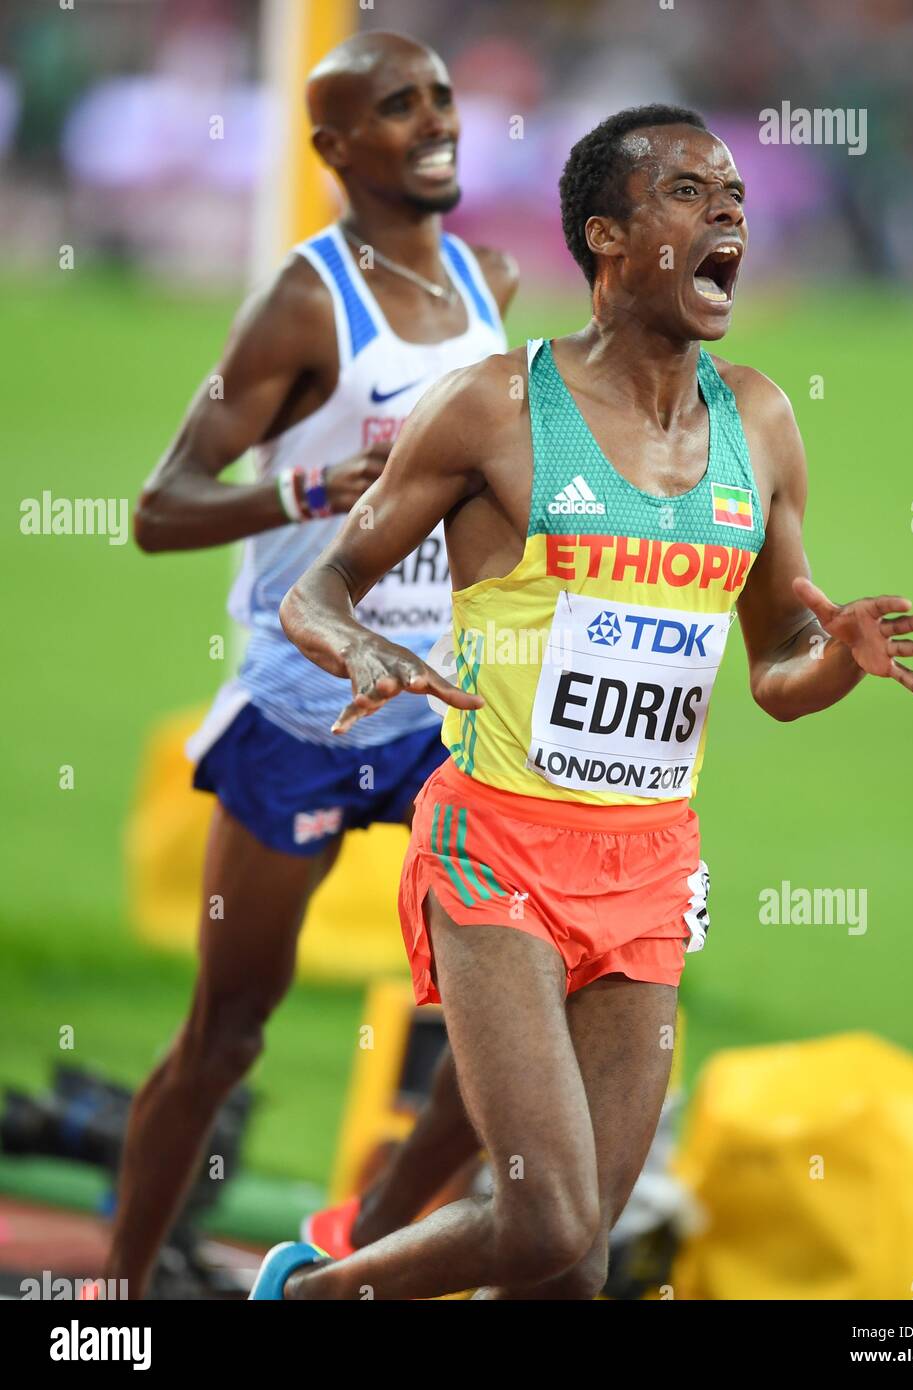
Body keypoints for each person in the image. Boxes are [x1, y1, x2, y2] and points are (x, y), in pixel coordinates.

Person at [253, 102, 913, 1301]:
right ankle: (303, 1295)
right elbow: (319, 589)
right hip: (498, 848)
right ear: (608, 238)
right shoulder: (492, 410)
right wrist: (353, 645)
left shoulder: (761, 422)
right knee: (544, 1215)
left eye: (732, 193)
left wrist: (837, 658)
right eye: (689, 191)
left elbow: (777, 659)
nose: (728, 209)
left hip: (653, 866)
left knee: (573, 1264)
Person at [103, 30, 517, 1299]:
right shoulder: (305, 301)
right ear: (334, 148)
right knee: (227, 1033)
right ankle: (113, 1301)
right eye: (400, 105)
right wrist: (299, 487)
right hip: (309, 705)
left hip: (445, 706)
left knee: (518, 1019)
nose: (436, 118)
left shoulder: (493, 282)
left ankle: (348, 1255)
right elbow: (160, 506)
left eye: (442, 95)